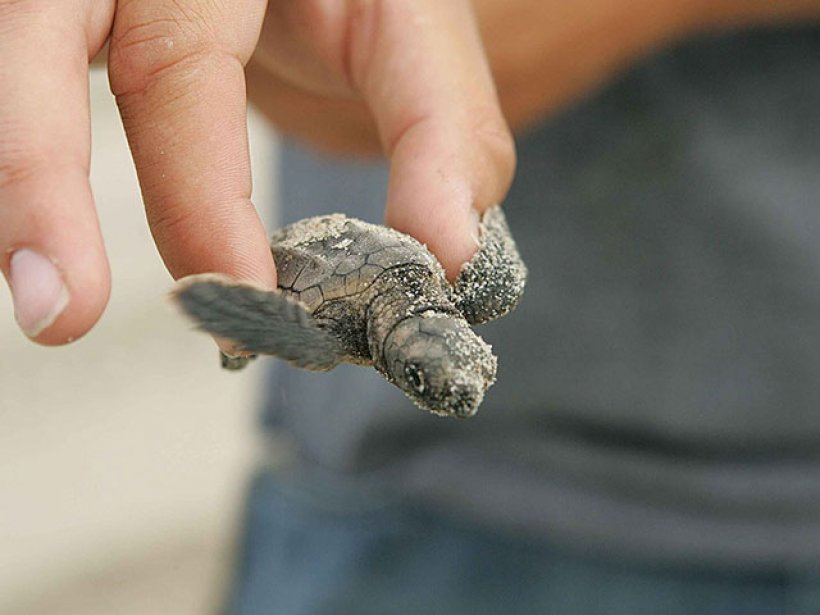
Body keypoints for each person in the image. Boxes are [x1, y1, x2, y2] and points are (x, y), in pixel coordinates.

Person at [2, 2, 820, 614]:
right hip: (437, 502)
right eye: (442, 375)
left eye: (446, 380)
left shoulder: (391, 320)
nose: (453, 386)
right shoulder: (407, 303)